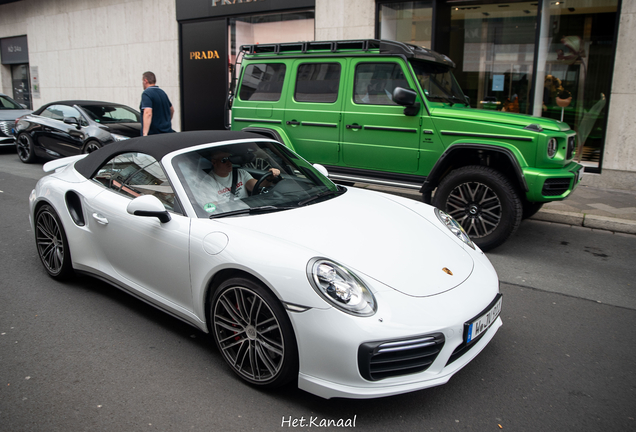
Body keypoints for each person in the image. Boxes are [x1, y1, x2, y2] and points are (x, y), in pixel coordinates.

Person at [140, 71, 175, 136]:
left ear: (145, 81)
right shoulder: (162, 93)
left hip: (154, 135)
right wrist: (166, 122)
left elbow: (148, 113)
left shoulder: (147, 93)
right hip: (167, 133)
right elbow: (172, 110)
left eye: (142, 81)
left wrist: (145, 134)